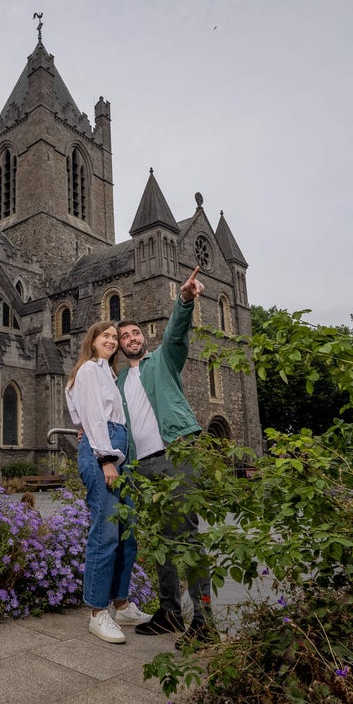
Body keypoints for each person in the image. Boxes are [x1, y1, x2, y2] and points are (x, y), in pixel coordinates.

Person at [117, 266, 215, 645]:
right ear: (121, 348)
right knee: (161, 541)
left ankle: (205, 622)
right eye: (124, 336)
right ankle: (170, 613)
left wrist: (185, 299)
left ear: (145, 338)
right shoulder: (121, 380)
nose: (131, 339)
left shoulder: (163, 360)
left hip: (175, 453)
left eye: (135, 332)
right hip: (143, 466)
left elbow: (177, 330)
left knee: (187, 538)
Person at [66, 320, 152, 643]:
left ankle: (121, 603)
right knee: (105, 532)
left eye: (115, 337)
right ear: (93, 339)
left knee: (127, 534)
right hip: (103, 453)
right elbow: (90, 414)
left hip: (118, 448)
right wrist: (105, 458)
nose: (113, 341)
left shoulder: (108, 374)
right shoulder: (89, 370)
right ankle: (97, 611)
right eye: (107, 336)